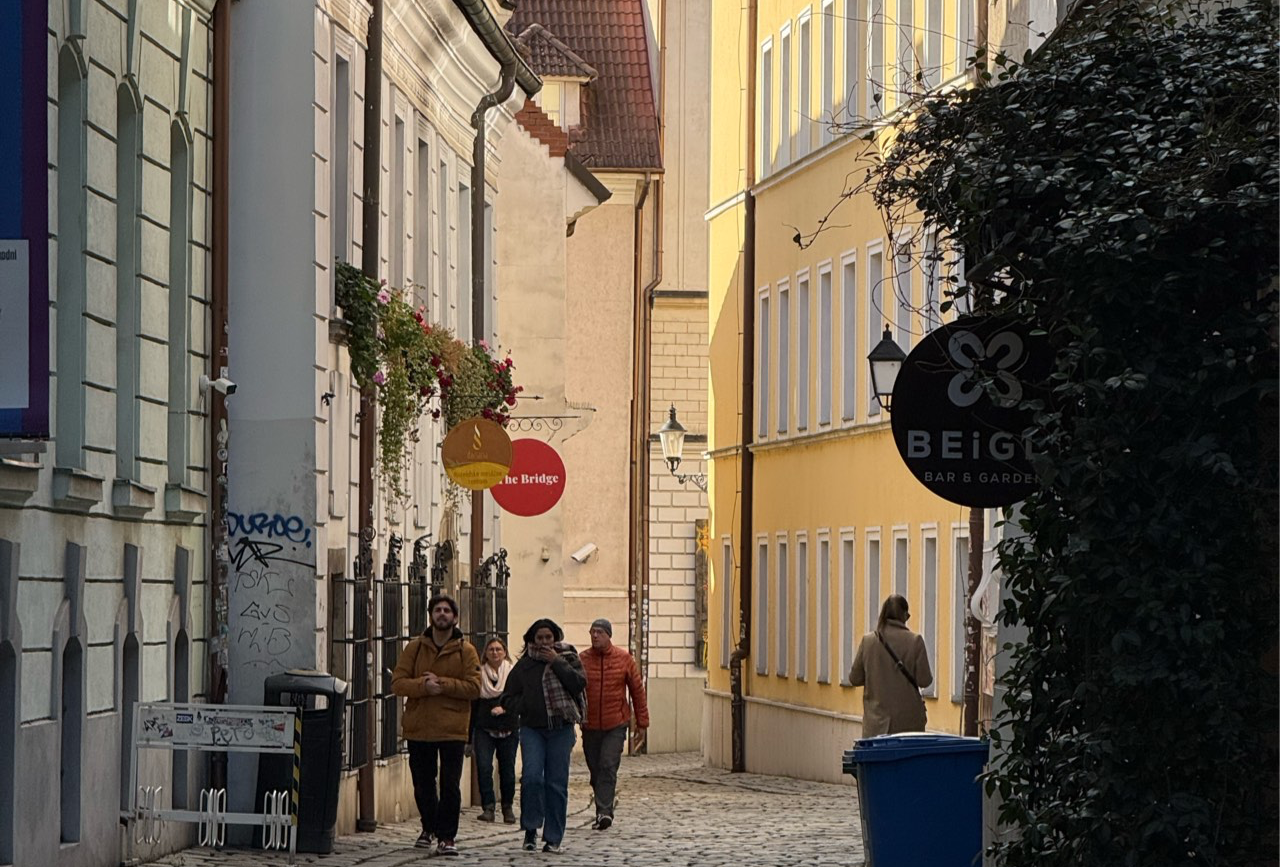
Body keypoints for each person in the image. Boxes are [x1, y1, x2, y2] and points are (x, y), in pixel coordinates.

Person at [390, 594, 481, 857]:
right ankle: (428, 827)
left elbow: (475, 688)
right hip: (420, 727)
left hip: (453, 727)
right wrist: (422, 687)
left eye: (446, 610)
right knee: (423, 784)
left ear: (455, 617)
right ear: (431, 615)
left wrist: (442, 684)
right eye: (437, 610)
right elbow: (398, 683)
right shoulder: (415, 648)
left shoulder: (466, 651)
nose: (442, 614)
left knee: (450, 784)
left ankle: (447, 836)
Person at [497, 618, 586, 854]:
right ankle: (530, 829)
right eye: (540, 638)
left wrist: (557, 662)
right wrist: (525, 705)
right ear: (531, 640)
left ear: (556, 638)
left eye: (549, 637)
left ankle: (553, 837)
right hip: (532, 729)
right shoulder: (524, 666)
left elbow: (579, 684)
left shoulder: (568, 658)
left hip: (561, 728)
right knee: (532, 778)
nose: (545, 642)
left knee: (556, 783)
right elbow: (507, 697)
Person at [578, 617, 649, 831]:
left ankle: (604, 812)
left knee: (608, 765)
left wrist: (642, 722)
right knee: (595, 769)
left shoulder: (624, 659)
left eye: (599, 632)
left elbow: (637, 691)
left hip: (615, 723)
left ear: (609, 635)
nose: (595, 636)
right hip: (590, 725)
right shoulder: (582, 660)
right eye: (592, 632)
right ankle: (603, 803)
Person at [848, 594, 933, 736]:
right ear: (905, 615)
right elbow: (925, 680)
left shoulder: (868, 642)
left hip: (876, 726)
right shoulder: (915, 641)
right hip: (908, 726)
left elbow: (854, 679)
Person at [469, 636, 518, 825]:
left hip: (509, 728)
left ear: (505, 652)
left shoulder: (513, 674)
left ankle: (507, 807)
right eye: (491, 650)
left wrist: (505, 709)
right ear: (485, 654)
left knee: (507, 770)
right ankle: (488, 807)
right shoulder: (479, 674)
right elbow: (473, 706)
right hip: (484, 728)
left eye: (498, 649)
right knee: (484, 767)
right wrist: (468, 737)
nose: (495, 652)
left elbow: (519, 700)